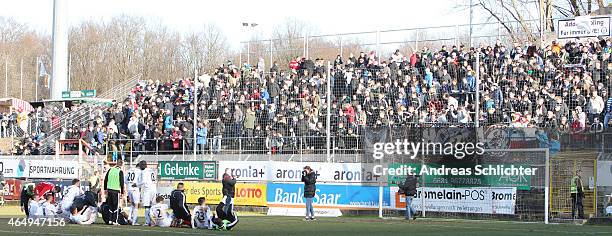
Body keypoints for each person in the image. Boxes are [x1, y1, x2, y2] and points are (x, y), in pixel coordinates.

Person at [104, 159, 125, 225]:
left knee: (110, 206)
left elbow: (105, 180)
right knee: (115, 206)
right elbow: (122, 183)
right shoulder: (120, 171)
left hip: (109, 190)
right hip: (116, 191)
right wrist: (122, 192)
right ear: (121, 164)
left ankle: (110, 220)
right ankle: (114, 220)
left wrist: (105, 189)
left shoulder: (110, 170)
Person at [137, 160, 157, 226]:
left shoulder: (144, 172)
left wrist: (136, 185)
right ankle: (156, 221)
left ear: (144, 165)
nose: (140, 167)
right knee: (153, 206)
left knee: (147, 206)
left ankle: (147, 222)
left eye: (141, 165)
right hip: (154, 189)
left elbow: (143, 181)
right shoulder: (151, 170)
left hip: (148, 190)